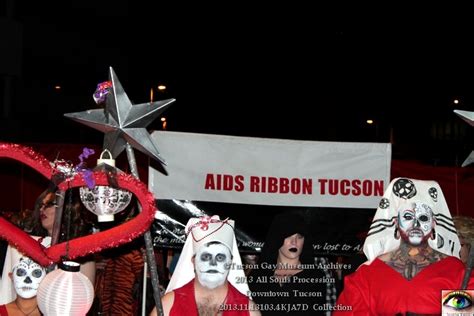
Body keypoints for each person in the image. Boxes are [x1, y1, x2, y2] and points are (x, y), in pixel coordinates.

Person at [334, 177, 474, 315]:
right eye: (408, 217)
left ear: (433, 223)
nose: (415, 224)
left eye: (423, 218)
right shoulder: (365, 276)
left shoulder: (456, 273)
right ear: (395, 222)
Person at [150, 215, 261, 316]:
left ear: (230, 262)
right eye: (206, 257)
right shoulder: (167, 306)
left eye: (220, 257)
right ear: (193, 261)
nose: (213, 264)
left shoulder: (249, 311)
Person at [247, 211, 329, 315]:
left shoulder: (315, 278)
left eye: (299, 237)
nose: (294, 242)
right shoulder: (257, 277)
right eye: (288, 236)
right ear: (277, 238)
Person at [0, 250, 46, 316]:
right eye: (21, 272)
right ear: (11, 276)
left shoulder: (54, 312)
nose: (27, 280)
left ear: (46, 278)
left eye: (36, 273)